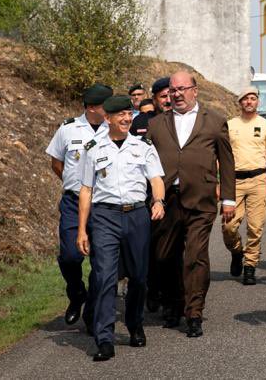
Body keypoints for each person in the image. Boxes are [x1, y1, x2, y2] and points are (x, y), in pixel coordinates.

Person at [145, 70, 236, 338]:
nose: (177, 94)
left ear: (195, 90)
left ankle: (194, 312)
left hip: (201, 200)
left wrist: (229, 199)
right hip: (166, 201)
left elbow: (227, 162)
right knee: (164, 256)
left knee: (195, 256)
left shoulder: (215, 122)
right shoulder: (157, 124)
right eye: (173, 90)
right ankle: (174, 302)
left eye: (183, 89)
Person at [76, 95, 165, 362]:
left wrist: (158, 200)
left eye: (129, 114)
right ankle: (104, 338)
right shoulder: (93, 148)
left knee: (138, 277)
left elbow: (156, 178)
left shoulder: (143, 145)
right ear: (108, 119)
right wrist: (82, 229)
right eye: (121, 115)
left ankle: (135, 323)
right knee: (104, 277)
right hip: (104, 217)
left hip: (137, 214)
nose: (127, 119)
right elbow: (86, 189)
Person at [45, 83, 112, 329]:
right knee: (70, 256)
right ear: (93, 107)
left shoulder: (113, 128)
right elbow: (56, 163)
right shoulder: (68, 129)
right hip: (74, 201)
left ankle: (93, 312)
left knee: (101, 262)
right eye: (106, 105)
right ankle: (76, 293)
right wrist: (76, 184)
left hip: (103, 204)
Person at [224, 86, 266, 286]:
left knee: (255, 228)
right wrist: (220, 182)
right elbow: (222, 156)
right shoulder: (230, 125)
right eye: (245, 99)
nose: (249, 102)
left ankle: (250, 266)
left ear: (258, 102)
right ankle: (237, 252)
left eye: (253, 98)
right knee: (228, 226)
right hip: (234, 181)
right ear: (239, 102)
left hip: (258, 180)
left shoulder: (265, 125)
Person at [130, 76, 170, 312]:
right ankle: (153, 288)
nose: (167, 100)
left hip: (176, 191)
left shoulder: (181, 121)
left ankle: (172, 294)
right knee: (153, 246)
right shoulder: (141, 123)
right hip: (148, 193)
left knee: (174, 248)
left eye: (169, 95)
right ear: (154, 99)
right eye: (162, 96)